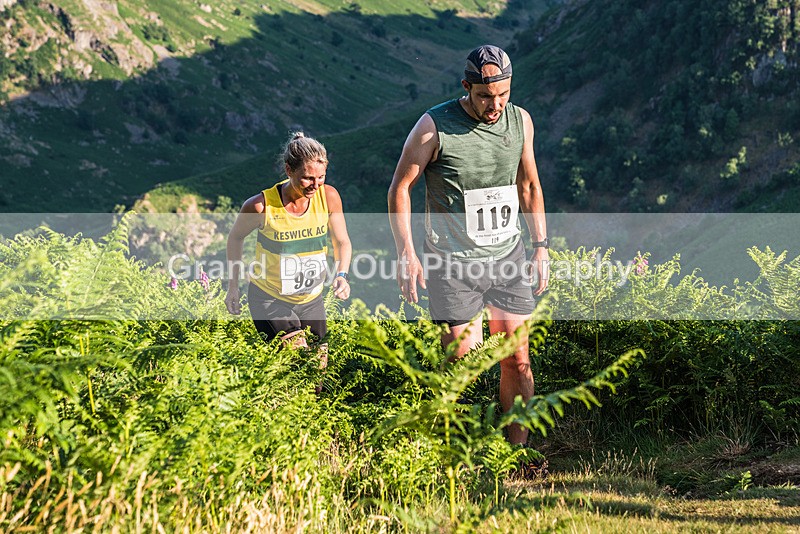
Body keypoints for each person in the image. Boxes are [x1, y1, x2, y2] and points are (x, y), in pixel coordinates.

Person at [387, 45, 549, 446]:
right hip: (451, 261)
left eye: (503, 95)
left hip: (507, 255)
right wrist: (406, 252)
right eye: (484, 97)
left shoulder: (520, 121)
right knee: (463, 364)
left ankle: (516, 455)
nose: (495, 105)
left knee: (517, 357)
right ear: (466, 87)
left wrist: (541, 246)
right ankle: (458, 455)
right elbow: (400, 188)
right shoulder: (433, 126)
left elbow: (528, 184)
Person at [226, 132, 352, 363]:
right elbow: (235, 238)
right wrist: (233, 286)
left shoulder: (329, 196)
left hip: (311, 300)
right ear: (288, 170)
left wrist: (342, 275)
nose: (315, 185)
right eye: (307, 178)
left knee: (318, 374)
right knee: (300, 362)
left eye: (321, 177)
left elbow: (342, 242)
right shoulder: (260, 206)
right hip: (270, 299)